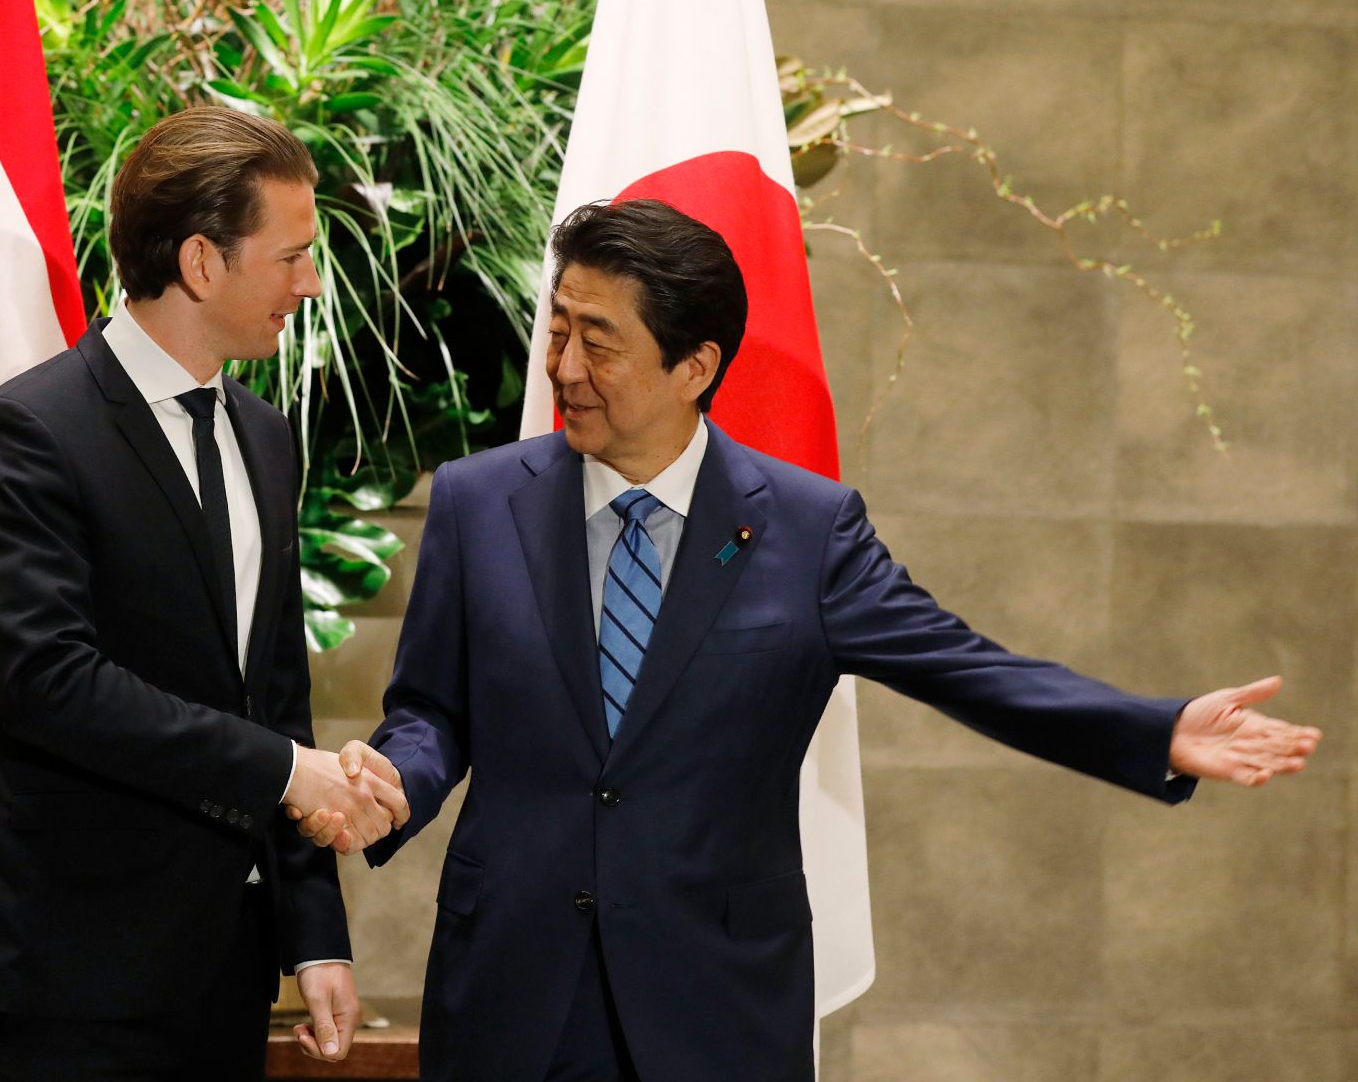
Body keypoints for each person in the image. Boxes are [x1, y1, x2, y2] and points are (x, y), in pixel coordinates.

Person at [299, 198, 1322, 1081]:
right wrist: (393, 782)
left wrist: (1154, 729)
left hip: (713, 1001)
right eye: (557, 329)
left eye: (597, 341)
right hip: (514, 988)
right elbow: (431, 712)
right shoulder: (480, 501)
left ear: (694, 364)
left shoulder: (806, 528)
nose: (563, 365)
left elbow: (966, 667)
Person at [0, 106, 409, 1080]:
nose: (309, 284)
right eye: (291, 256)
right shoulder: (29, 430)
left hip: (226, 973)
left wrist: (314, 934)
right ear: (201, 261)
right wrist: (287, 770)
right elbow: (49, 682)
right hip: (72, 977)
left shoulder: (265, 436)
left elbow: (273, 693)